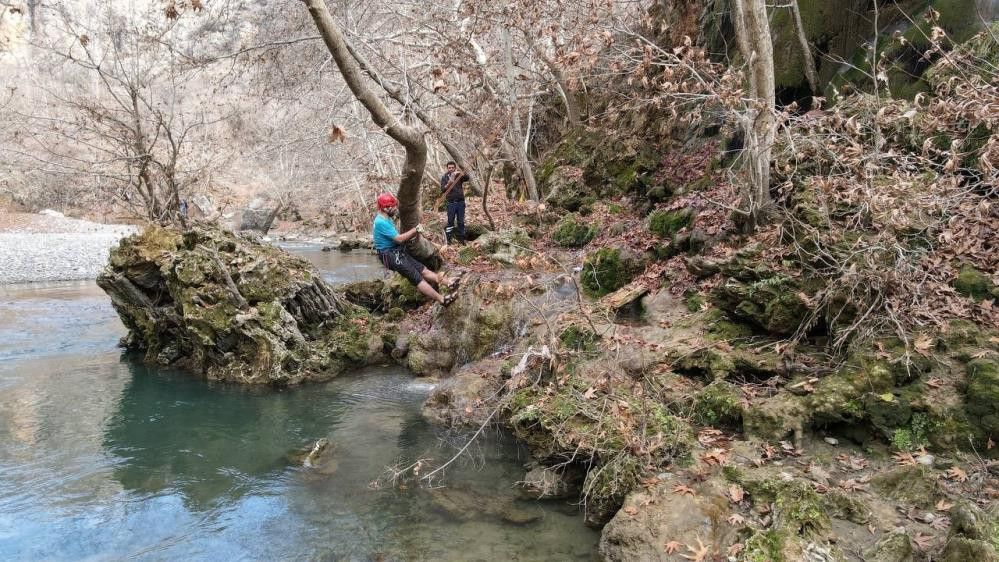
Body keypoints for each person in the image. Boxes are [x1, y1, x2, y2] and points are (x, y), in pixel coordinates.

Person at [372, 192, 456, 306]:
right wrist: (415, 230)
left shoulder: (386, 218)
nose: (394, 208)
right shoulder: (381, 222)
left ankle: (449, 282)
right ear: (384, 208)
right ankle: (442, 300)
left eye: (394, 206)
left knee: (423, 270)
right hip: (390, 256)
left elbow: (395, 239)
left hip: (396, 252)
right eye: (391, 207)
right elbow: (399, 239)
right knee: (417, 278)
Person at [440, 161, 470, 245]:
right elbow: (442, 190)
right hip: (451, 203)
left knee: (461, 221)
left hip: (460, 202)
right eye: (449, 168)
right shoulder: (444, 177)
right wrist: (449, 182)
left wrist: (461, 173)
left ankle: (462, 239)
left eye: (452, 168)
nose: (451, 169)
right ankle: (448, 240)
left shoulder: (458, 175)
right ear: (447, 168)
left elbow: (467, 178)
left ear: (455, 168)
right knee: (450, 221)